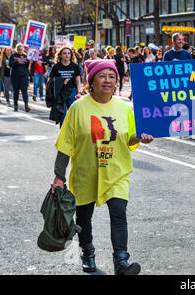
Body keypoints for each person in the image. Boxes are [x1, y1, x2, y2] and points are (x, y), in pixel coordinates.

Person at [50, 59, 154, 275]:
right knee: (84, 218)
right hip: (86, 174)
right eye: (102, 76)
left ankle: (121, 263)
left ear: (117, 82)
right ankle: (87, 253)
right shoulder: (78, 108)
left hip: (116, 172)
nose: (108, 80)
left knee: (118, 214)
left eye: (112, 76)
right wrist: (59, 176)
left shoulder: (124, 108)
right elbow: (65, 145)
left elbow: (130, 137)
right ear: (92, 80)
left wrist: (140, 138)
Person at [49, 46, 82, 126]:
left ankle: (73, 133)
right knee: (62, 115)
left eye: (69, 53)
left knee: (74, 113)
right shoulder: (56, 67)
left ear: (71, 55)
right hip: (60, 93)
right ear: (60, 55)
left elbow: (78, 81)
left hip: (72, 92)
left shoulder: (75, 66)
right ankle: (63, 134)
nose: (67, 55)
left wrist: (79, 92)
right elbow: (50, 81)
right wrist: (60, 81)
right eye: (64, 53)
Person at [9, 44, 30, 112]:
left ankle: (26, 105)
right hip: (15, 76)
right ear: (17, 49)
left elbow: (28, 66)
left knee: (24, 90)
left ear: (23, 49)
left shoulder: (26, 56)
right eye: (19, 49)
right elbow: (10, 64)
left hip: (24, 76)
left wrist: (30, 62)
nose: (20, 51)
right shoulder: (13, 55)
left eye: (21, 49)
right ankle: (15, 105)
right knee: (16, 91)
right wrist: (17, 61)